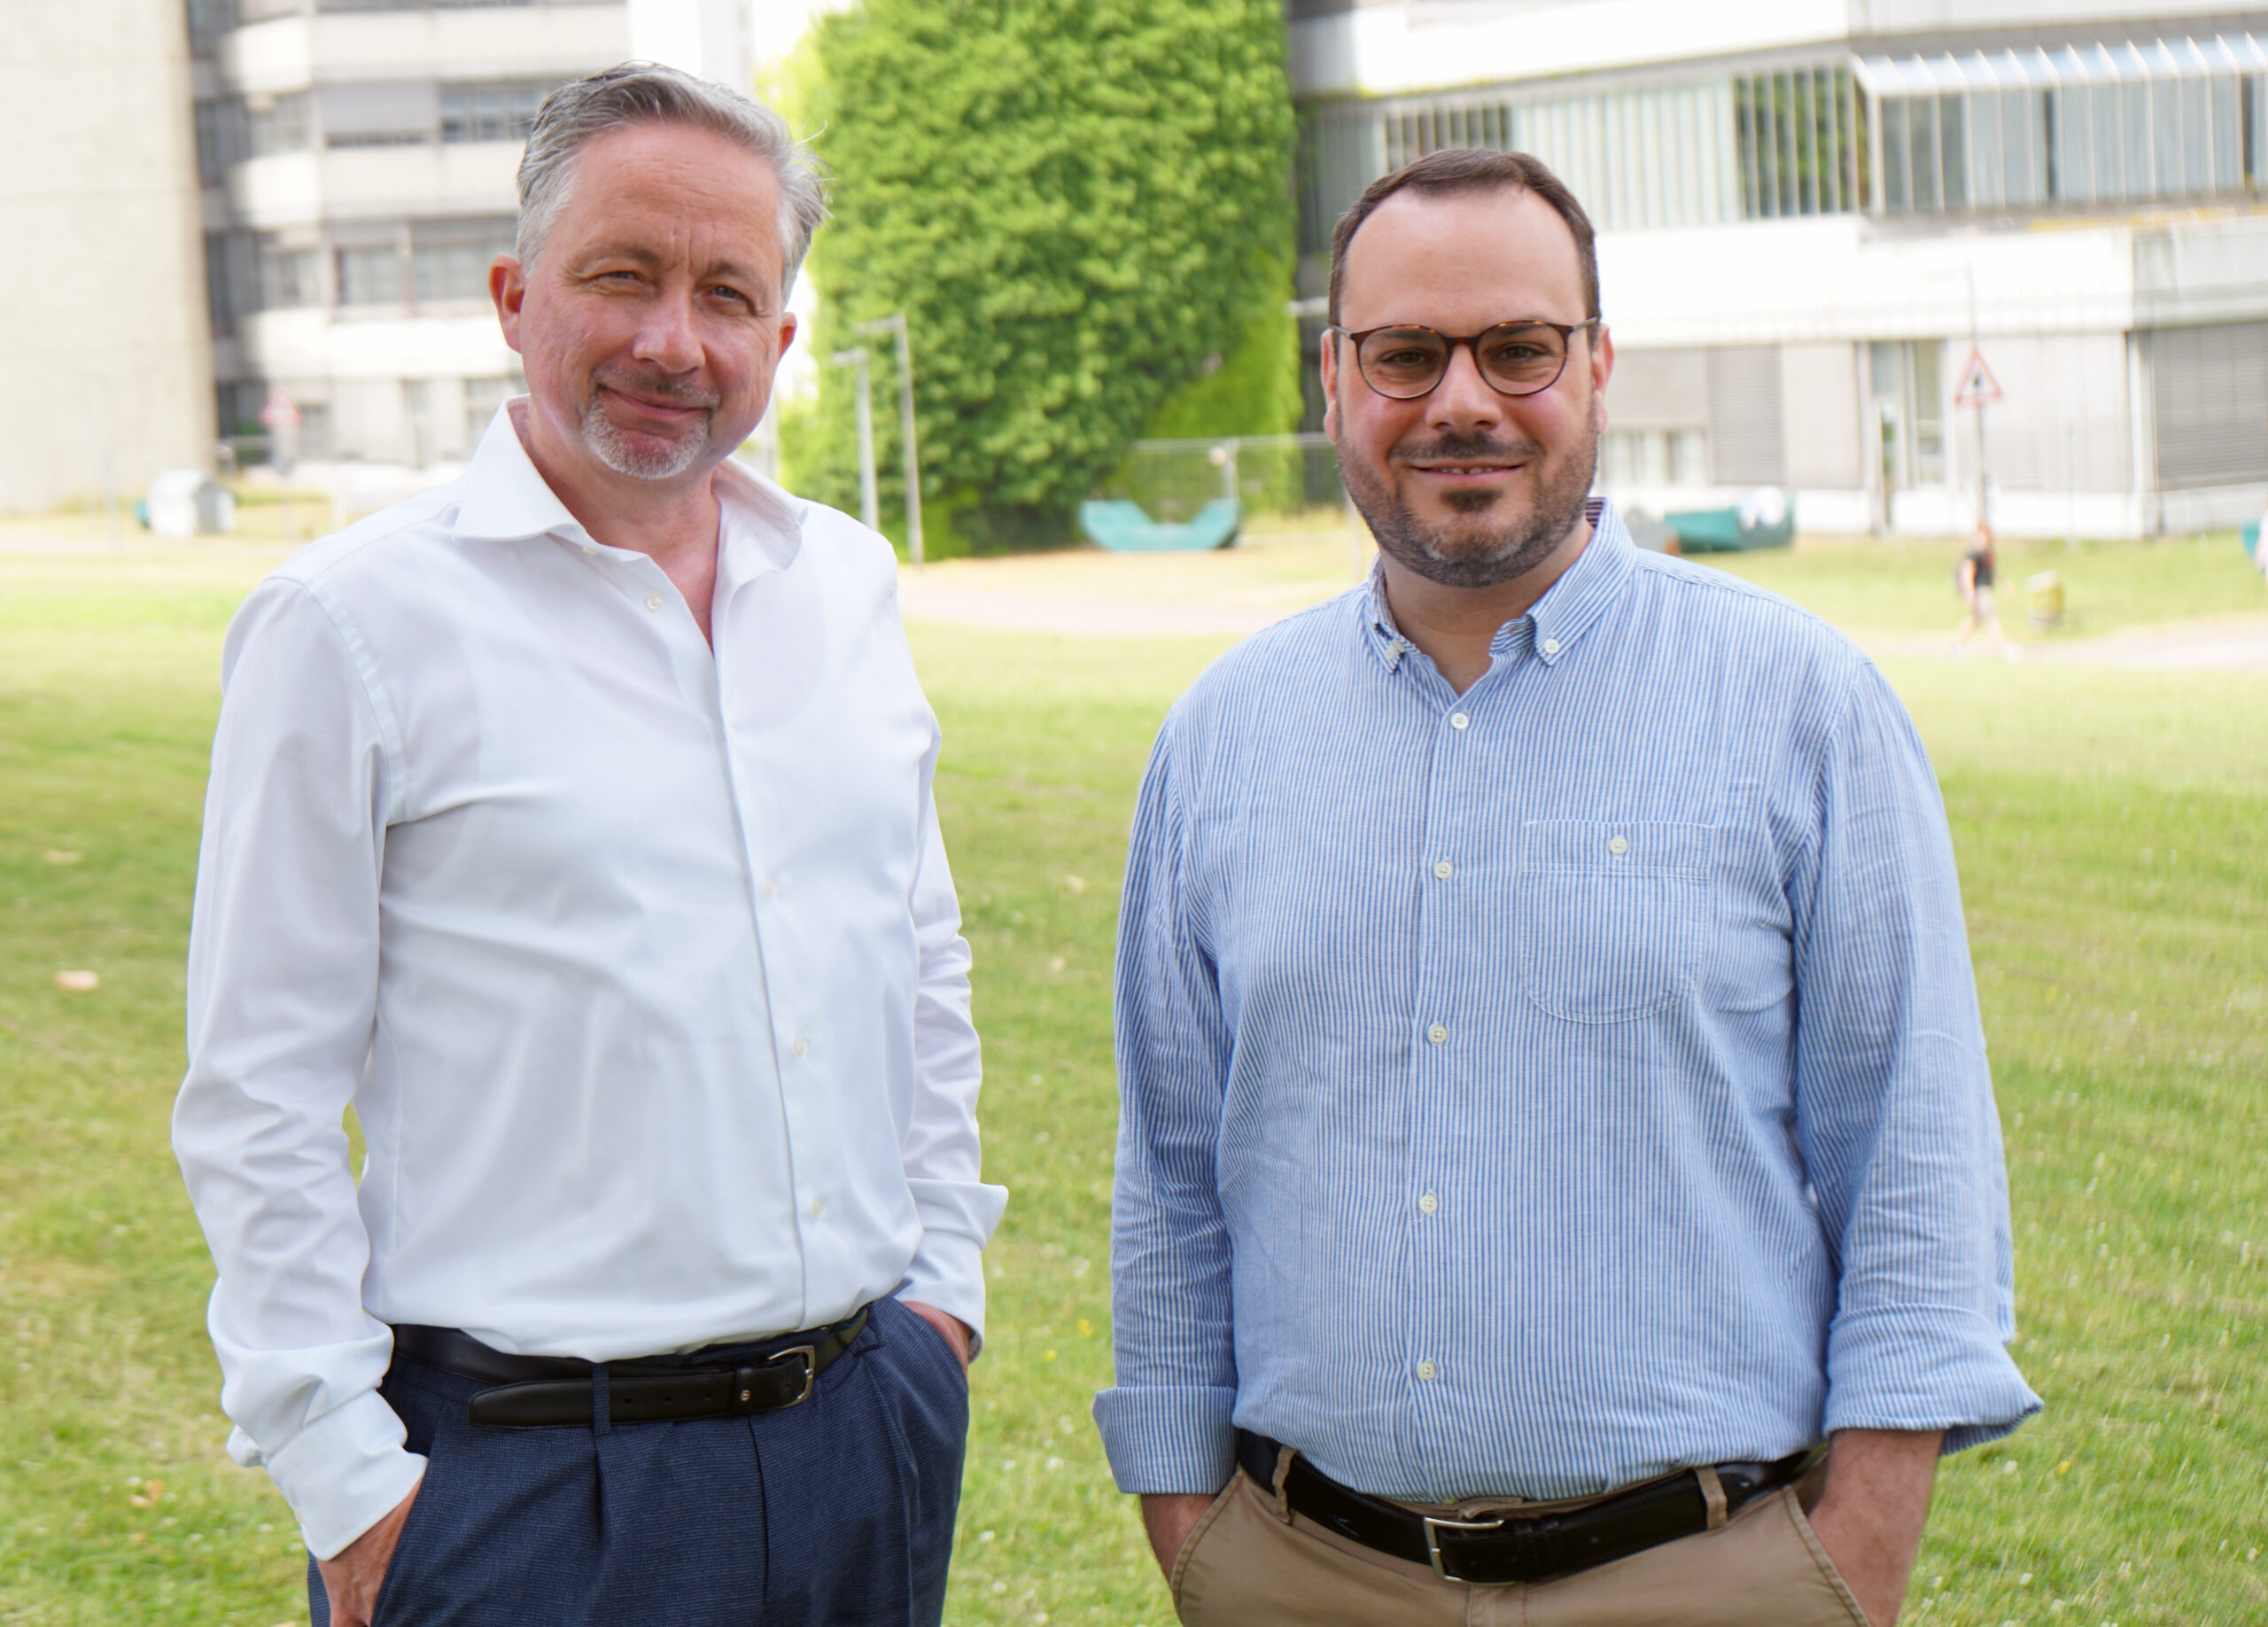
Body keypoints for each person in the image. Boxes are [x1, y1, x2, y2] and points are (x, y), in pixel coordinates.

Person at [1097, 148, 2037, 1627]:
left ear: (1597, 367)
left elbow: (1914, 1162)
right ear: (1332, 381)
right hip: (1305, 1579)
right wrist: (1189, 1531)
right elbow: (1170, 1176)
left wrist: (1851, 1560)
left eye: (1519, 348)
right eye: (1405, 353)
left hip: (1711, 1579)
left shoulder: (1803, 706)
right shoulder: (1224, 737)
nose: (1462, 400)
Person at [174, 64, 1004, 1627]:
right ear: (513, 295)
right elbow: (255, 1091)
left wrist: (939, 1304)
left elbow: (918, 956)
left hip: (860, 1439)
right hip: (533, 1492)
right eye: (620, 277)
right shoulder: (349, 627)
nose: (670, 340)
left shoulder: (846, 585)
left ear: (783, 336)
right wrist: (355, 1489)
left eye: (726, 292)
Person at [1955, 519, 2005, 653]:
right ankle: (2002, 648)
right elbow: (1967, 570)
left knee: (1975, 620)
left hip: (1984, 589)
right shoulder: (1976, 550)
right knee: (1993, 617)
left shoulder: (1986, 551)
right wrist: (1969, 593)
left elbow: (1992, 570)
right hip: (1980, 590)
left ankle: (1958, 646)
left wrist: (2004, 583)